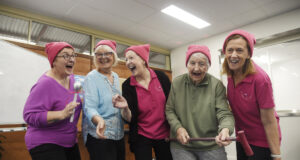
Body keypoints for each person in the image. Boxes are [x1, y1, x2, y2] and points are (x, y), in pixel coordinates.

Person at [165, 45, 234, 160]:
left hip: (211, 145)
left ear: (208, 66)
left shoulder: (217, 85)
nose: (196, 68)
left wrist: (225, 129)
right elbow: (170, 109)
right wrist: (178, 128)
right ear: (187, 64)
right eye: (192, 63)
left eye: (202, 64)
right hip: (182, 146)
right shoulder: (177, 83)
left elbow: (224, 113)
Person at [222, 29, 281, 160]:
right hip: (242, 138)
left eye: (239, 50)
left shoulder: (260, 79)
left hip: (261, 142)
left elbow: (269, 121)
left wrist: (276, 154)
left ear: (249, 54)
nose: (233, 55)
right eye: (230, 50)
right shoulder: (231, 76)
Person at [23, 42, 82, 160]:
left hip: (69, 141)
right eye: (65, 56)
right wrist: (61, 114)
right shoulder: (45, 84)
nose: (71, 59)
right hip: (45, 142)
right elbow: (29, 115)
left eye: (73, 55)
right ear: (53, 61)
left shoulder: (71, 78)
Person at [122, 44, 173, 160]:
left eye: (131, 58)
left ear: (143, 60)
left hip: (164, 134)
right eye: (126, 59)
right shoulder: (127, 85)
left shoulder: (161, 77)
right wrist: (125, 108)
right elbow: (129, 118)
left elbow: (173, 105)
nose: (127, 62)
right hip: (141, 136)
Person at [82, 40, 127, 160]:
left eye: (107, 53)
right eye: (99, 54)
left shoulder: (116, 76)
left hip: (118, 135)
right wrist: (99, 121)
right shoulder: (91, 77)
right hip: (101, 136)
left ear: (114, 56)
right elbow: (89, 107)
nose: (103, 57)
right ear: (95, 57)